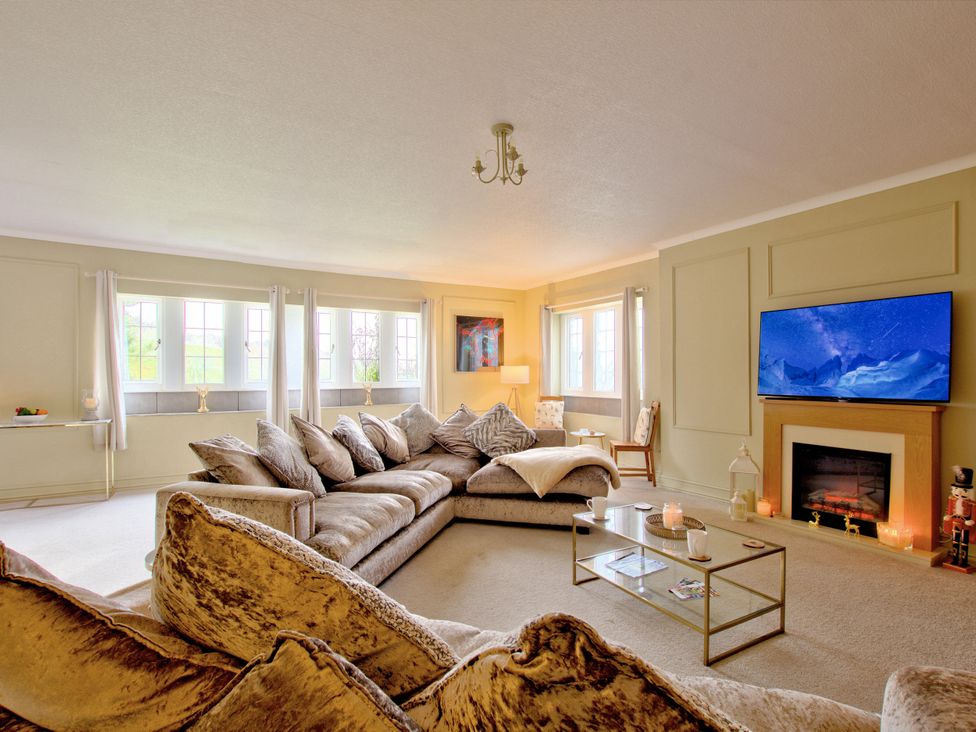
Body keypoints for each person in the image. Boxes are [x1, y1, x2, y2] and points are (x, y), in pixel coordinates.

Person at [943, 466, 975, 572]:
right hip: (955, 523)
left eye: (964, 490)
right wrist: (948, 516)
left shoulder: (971, 503)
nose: (960, 493)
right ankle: (955, 559)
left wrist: (972, 520)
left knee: (964, 542)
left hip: (965, 525)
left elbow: (974, 513)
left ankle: (964, 560)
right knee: (955, 541)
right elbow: (949, 510)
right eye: (957, 489)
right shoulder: (952, 499)